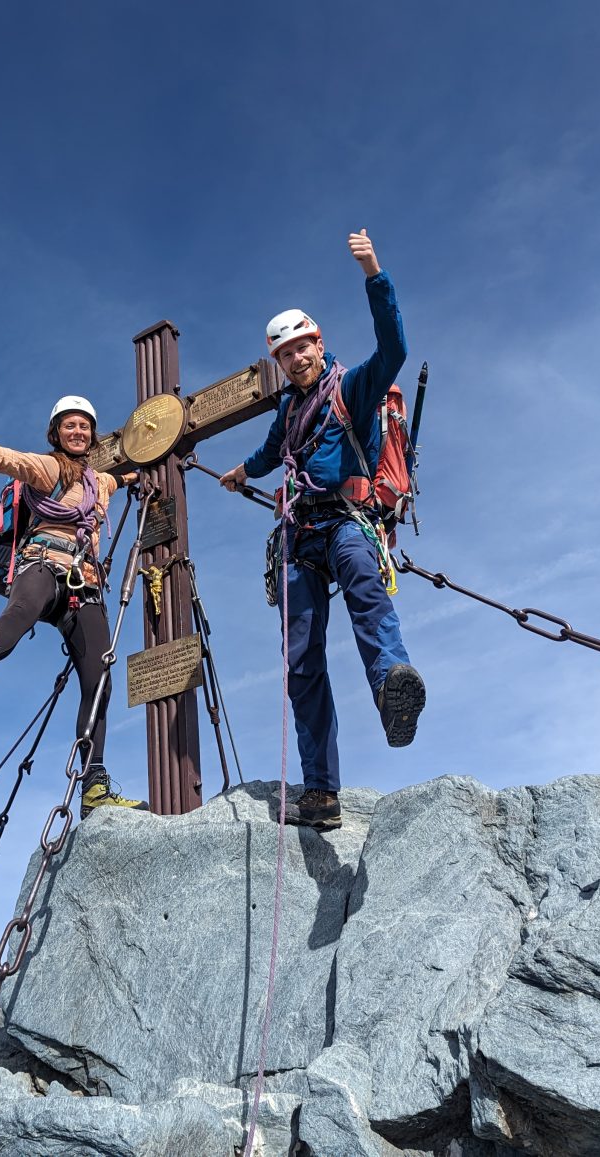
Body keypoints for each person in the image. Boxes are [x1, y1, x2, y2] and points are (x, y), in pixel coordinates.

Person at [218, 229, 425, 831]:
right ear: (279, 361)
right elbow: (267, 453)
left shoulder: (351, 389)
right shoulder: (288, 411)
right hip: (298, 538)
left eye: (302, 347)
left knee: (366, 588)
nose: (296, 358)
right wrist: (240, 473)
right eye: (285, 354)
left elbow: (393, 349)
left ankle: (393, 690)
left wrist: (374, 275)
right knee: (302, 660)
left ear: (318, 343)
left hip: (346, 521)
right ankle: (320, 791)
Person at [0, 393, 147, 818]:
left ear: (92, 434)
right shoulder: (47, 467)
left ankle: (94, 784)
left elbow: (120, 481)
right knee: (19, 612)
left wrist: (135, 479)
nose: (78, 431)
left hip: (83, 583)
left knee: (98, 679)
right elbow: (2, 458)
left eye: (84, 426)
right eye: (70, 425)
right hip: (43, 564)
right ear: (57, 433)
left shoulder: (99, 481)